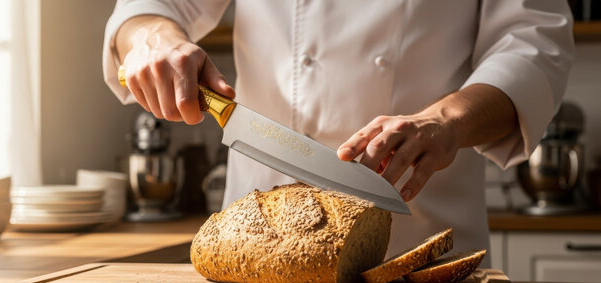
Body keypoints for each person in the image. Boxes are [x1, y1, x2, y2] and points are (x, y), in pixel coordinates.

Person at [103, 1, 574, 262]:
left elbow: (533, 43)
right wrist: (154, 40)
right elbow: (150, 9)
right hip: (258, 252)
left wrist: (446, 121)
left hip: (415, 254)